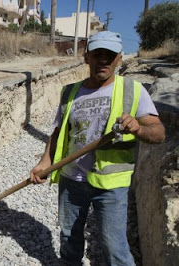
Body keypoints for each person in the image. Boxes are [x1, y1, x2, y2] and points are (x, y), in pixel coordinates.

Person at [30, 31, 165, 266]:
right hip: (71, 180)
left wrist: (138, 129)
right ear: (86, 57)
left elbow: (159, 133)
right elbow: (59, 131)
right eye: (97, 54)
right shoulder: (69, 92)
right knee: (69, 240)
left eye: (109, 55)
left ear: (119, 59)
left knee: (115, 248)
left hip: (111, 186)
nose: (103, 60)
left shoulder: (133, 90)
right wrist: (45, 162)